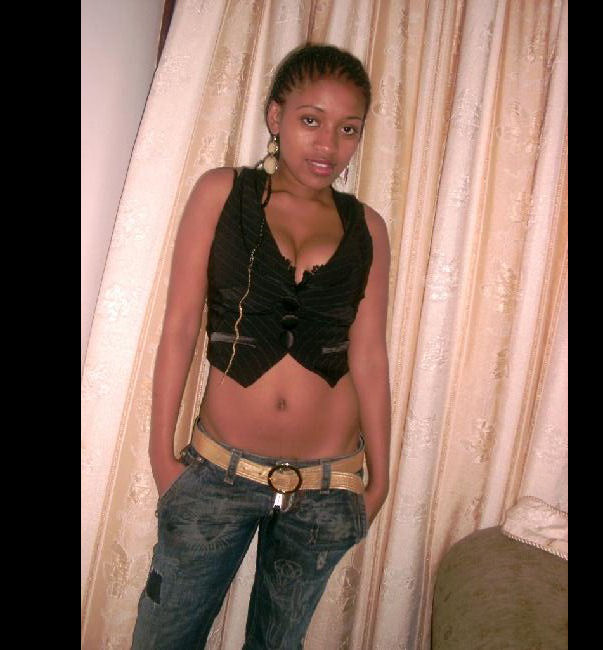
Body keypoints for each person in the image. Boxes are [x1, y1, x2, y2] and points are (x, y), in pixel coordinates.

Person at [131, 43, 391, 650]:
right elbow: (180, 326)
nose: (328, 144)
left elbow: (370, 355)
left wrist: (379, 481)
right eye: (311, 120)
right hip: (217, 475)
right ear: (276, 116)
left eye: (348, 129)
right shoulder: (222, 192)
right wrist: (162, 458)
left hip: (328, 487)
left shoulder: (369, 227)